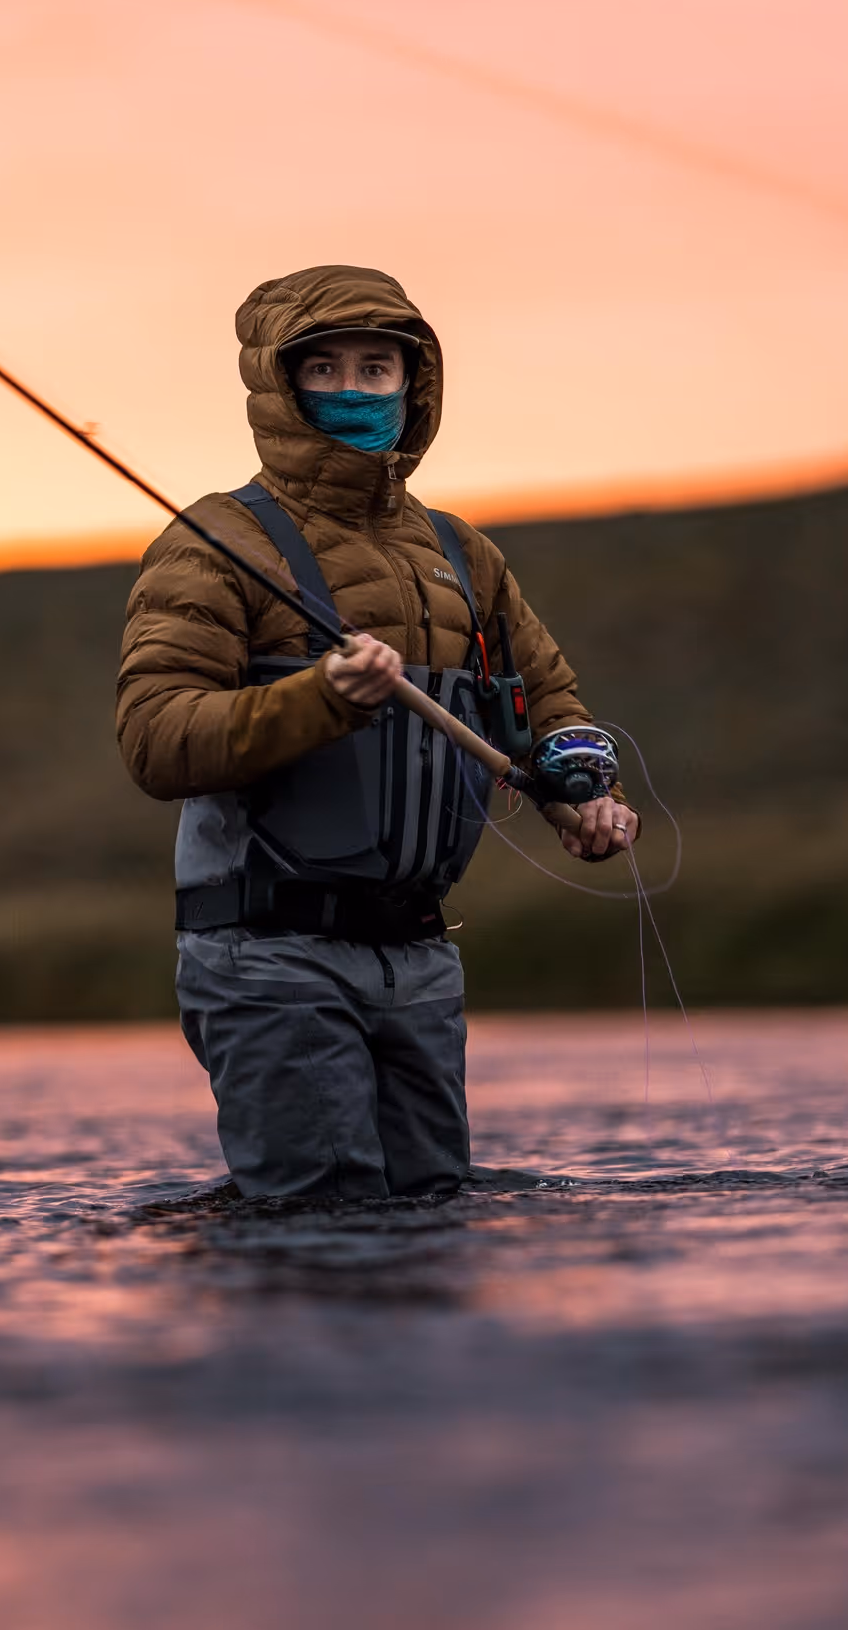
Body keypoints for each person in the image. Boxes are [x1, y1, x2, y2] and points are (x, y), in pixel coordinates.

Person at [116, 264, 638, 1200]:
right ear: (280, 387)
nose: (354, 391)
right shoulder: (214, 543)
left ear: (414, 384)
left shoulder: (461, 550)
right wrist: (322, 698)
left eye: (376, 369)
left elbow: (547, 701)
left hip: (421, 962)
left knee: (433, 1219)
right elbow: (157, 739)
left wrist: (583, 792)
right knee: (323, 1232)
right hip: (266, 954)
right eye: (325, 371)